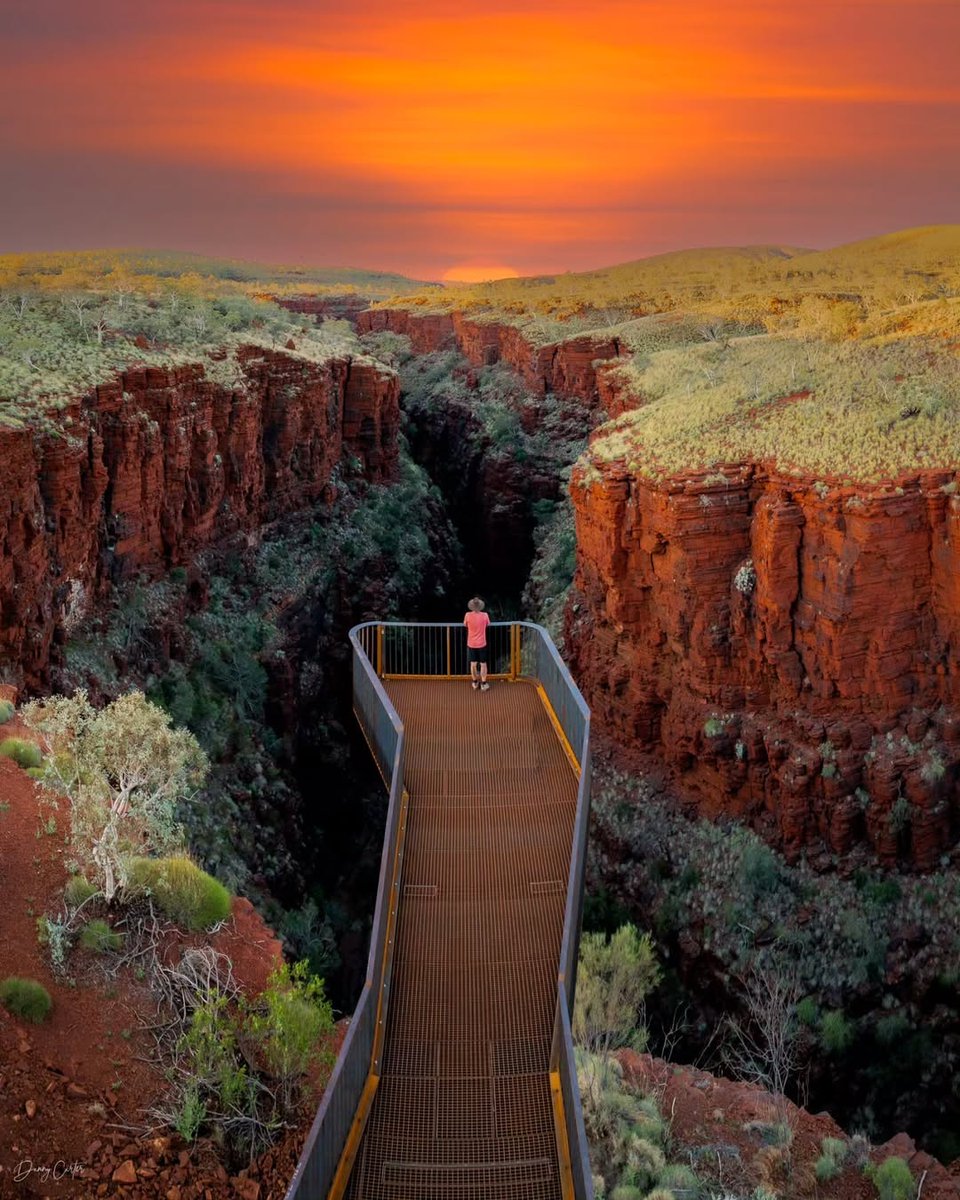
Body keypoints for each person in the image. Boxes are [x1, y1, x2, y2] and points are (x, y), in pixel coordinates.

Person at [464, 597, 491, 691]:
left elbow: (465, 624)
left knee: (473, 664)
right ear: (480, 606)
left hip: (471, 643)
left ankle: (475, 683)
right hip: (482, 643)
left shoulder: (467, 615)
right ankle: (483, 683)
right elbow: (488, 624)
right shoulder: (485, 615)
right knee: (483, 664)